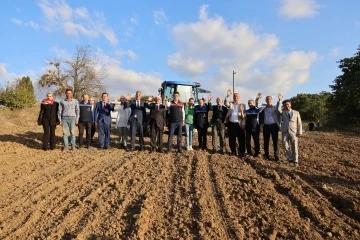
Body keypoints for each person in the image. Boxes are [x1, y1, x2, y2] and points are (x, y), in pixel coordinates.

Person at [279, 98, 303, 167]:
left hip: (293, 132)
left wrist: (299, 131)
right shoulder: (282, 112)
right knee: (285, 145)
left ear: (290, 104)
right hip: (285, 131)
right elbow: (278, 109)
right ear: (283, 105)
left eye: (288, 104)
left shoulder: (296, 112)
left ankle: (295, 161)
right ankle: (290, 158)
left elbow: (299, 123)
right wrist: (279, 100)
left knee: (294, 146)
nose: (287, 106)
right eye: (285, 105)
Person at [257, 94, 281, 160]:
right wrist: (257, 99)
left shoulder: (275, 107)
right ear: (265, 100)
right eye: (267, 99)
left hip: (274, 126)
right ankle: (266, 154)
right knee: (266, 141)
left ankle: (276, 155)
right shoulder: (263, 107)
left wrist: (279, 100)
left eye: (270, 99)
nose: (268, 100)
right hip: (266, 126)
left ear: (272, 100)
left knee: (275, 141)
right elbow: (257, 106)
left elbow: (279, 106)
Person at [224, 90, 246, 158]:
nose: (235, 98)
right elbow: (225, 103)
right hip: (231, 124)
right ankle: (233, 151)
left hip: (239, 124)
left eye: (237, 96)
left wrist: (243, 124)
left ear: (239, 97)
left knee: (241, 139)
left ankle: (242, 152)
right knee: (232, 139)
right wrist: (227, 96)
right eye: (234, 96)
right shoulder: (231, 104)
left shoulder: (242, 105)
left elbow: (244, 116)